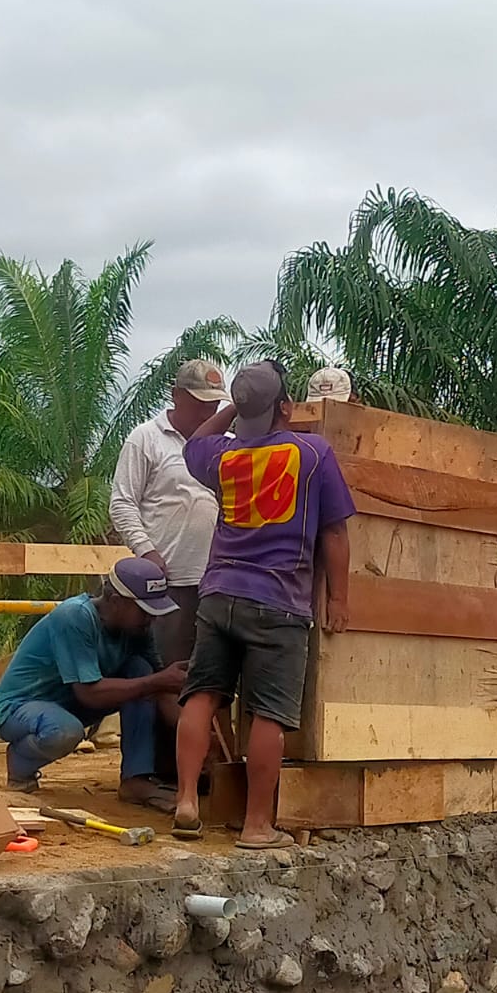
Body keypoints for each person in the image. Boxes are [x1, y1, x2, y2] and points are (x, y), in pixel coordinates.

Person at [171, 360, 355, 849]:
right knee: (269, 713)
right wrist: (338, 597)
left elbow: (192, 445)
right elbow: (335, 532)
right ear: (287, 408)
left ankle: (187, 801)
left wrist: (234, 407)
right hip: (279, 603)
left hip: (218, 594)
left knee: (202, 694)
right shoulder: (313, 453)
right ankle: (256, 826)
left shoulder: (222, 457)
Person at [0, 557, 187, 809]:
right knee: (65, 731)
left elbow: (159, 689)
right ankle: (20, 761)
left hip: (71, 706)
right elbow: (89, 694)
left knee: (141, 670)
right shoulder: (75, 616)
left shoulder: (137, 630)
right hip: (21, 708)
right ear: (116, 602)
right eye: (145, 610)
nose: (152, 619)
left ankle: (135, 780)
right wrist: (158, 681)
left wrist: (197, 735)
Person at [108, 359, 228, 664]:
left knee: (214, 676)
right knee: (165, 672)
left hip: (218, 580)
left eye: (214, 404)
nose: (207, 412)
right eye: (200, 403)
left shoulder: (228, 445)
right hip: (168, 583)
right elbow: (122, 503)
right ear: (176, 395)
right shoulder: (146, 438)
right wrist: (147, 552)